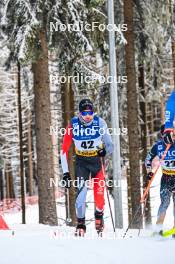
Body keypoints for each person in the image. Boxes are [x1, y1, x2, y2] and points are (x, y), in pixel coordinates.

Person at [60, 99, 113, 235]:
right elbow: (64, 150)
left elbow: (110, 145)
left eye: (90, 112)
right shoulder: (73, 124)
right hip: (82, 163)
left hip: (97, 163)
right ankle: (81, 223)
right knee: (81, 195)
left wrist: (104, 151)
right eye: (85, 113)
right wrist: (65, 173)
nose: (88, 116)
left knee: (99, 196)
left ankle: (99, 215)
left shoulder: (100, 123)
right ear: (80, 113)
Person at [145, 124, 175, 233]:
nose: (167, 138)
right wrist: (149, 171)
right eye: (164, 135)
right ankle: (158, 228)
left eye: (171, 134)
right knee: (164, 202)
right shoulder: (158, 146)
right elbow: (148, 159)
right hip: (166, 177)